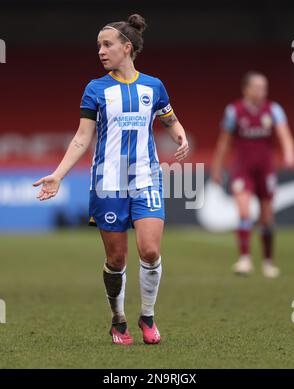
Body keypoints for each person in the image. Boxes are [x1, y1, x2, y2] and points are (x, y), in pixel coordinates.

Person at [33, 14, 189, 344]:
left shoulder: (153, 86)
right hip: (108, 182)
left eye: (107, 45)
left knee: (149, 251)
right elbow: (81, 138)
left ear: (126, 48)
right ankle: (118, 319)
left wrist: (180, 135)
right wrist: (58, 176)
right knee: (116, 259)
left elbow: (169, 118)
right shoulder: (96, 89)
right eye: (98, 46)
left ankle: (147, 316)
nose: (101, 51)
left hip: (146, 178)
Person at [211, 71, 294, 278]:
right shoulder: (234, 111)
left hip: (266, 170)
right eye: (257, 87)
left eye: (264, 88)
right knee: (244, 211)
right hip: (242, 169)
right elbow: (224, 142)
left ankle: (268, 262)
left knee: (267, 218)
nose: (261, 92)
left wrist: (289, 153)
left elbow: (284, 134)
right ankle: (245, 260)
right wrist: (216, 167)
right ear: (246, 89)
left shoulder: (273, 110)